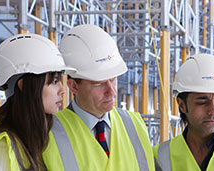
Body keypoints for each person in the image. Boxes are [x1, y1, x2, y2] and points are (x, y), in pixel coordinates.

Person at [42, 24, 155, 170]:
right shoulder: (48, 133)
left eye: (113, 79)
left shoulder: (135, 125)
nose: (112, 91)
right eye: (99, 84)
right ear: (73, 86)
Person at [0, 33, 75, 170]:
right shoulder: (1, 149)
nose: (62, 90)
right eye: (54, 82)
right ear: (24, 86)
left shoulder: (38, 137)